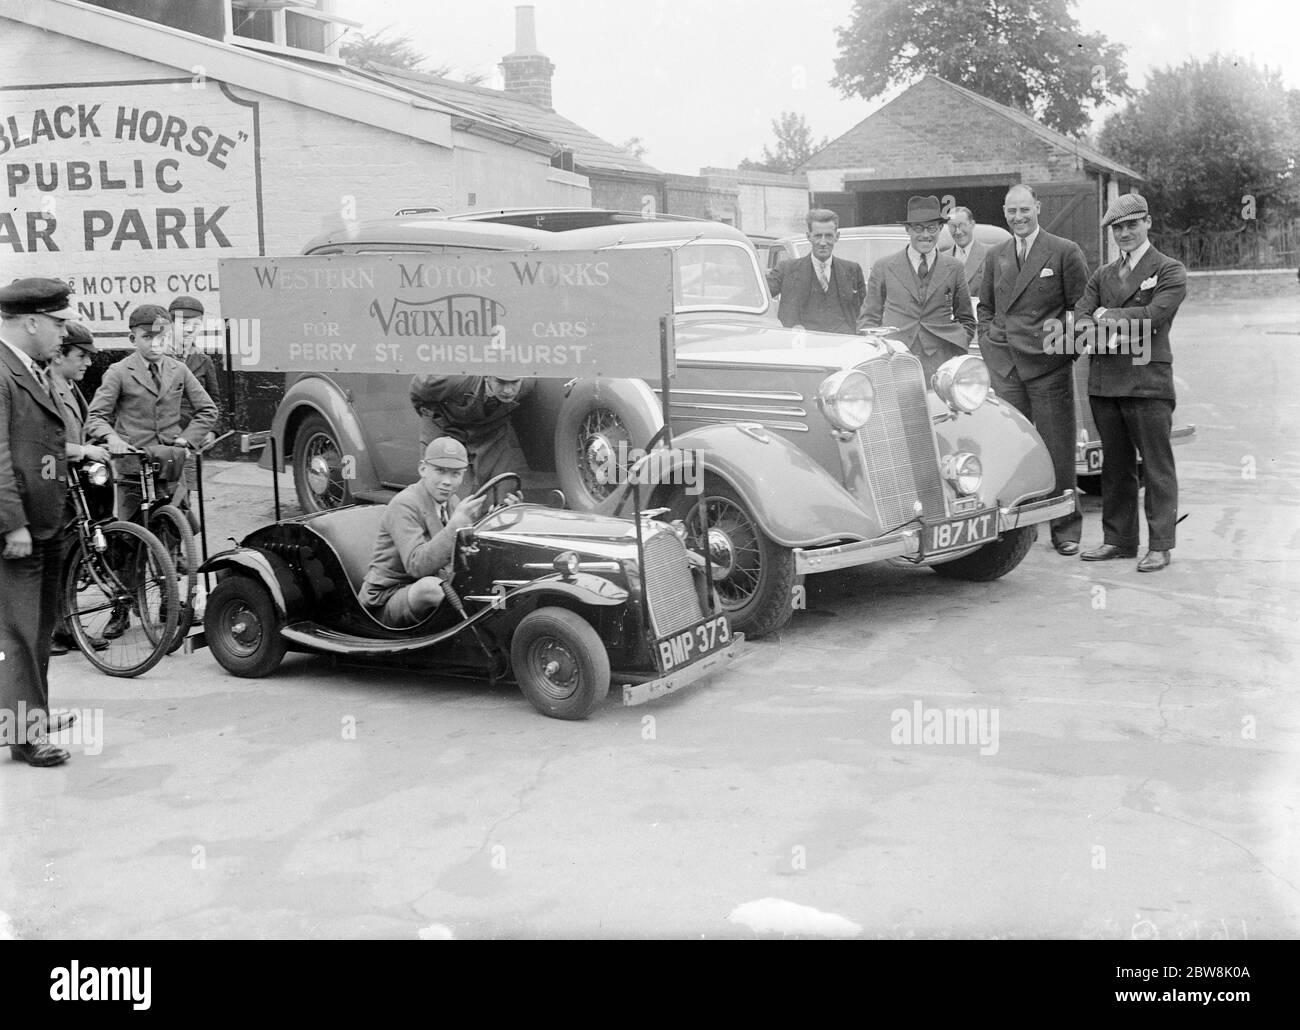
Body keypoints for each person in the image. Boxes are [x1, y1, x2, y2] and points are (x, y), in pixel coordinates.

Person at [85, 303, 217, 638]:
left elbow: (207, 409)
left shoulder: (178, 370)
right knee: (129, 541)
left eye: (161, 336)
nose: (155, 343)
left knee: (171, 535)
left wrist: (187, 440)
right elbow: (96, 418)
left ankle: (167, 604)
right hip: (132, 469)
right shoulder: (118, 372)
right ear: (133, 338)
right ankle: (122, 607)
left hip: (169, 467)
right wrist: (112, 438)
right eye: (147, 337)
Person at [1075, 193, 1187, 572]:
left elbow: (1155, 316)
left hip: (1147, 381)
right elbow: (1080, 318)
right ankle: (1119, 540)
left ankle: (1160, 545)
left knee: (1155, 466)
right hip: (1106, 381)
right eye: (1117, 228)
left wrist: (1105, 317)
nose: (1124, 233)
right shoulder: (1101, 275)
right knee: (1115, 466)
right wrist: (1118, 323)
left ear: (1148, 223)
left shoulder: (1169, 270)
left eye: (1131, 224)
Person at [978, 184, 1090, 555]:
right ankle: (1019, 530)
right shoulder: (996, 256)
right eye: (1012, 211)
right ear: (1004, 213)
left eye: (1025, 210)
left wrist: (1064, 353)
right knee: (1014, 450)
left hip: (1048, 367)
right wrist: (990, 345)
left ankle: (1066, 527)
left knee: (1058, 447)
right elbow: (987, 309)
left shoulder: (1063, 251)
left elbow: (1083, 310)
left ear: (1038, 208)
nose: (1019, 218)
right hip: (1007, 368)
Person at [0, 278, 75, 766]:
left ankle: (35, 714)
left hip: (44, 523)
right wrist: (12, 525)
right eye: (57, 322)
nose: (62, 332)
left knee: (38, 626)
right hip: (19, 528)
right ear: (30, 322)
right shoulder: (3, 371)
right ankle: (24, 734)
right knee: (18, 631)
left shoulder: (29, 368)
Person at [358, 437, 490, 628]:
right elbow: (417, 565)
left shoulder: (451, 502)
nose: (447, 482)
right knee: (431, 589)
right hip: (386, 599)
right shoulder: (405, 504)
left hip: (436, 584)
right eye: (440, 471)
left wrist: (496, 515)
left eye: (455, 474)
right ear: (423, 469)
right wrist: (455, 527)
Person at [859, 195, 976, 383]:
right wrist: (881, 353)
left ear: (940, 228)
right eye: (918, 228)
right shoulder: (884, 266)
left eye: (931, 228)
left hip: (940, 361)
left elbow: (967, 319)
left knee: (940, 411)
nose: (926, 235)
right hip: (894, 360)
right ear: (907, 229)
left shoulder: (954, 267)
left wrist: (954, 348)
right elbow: (868, 319)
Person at [46, 322, 110, 656]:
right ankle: (54, 631)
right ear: (59, 355)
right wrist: (83, 451)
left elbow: (83, 430)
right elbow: (45, 442)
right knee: (53, 560)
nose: (87, 362)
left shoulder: (72, 387)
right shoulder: (43, 389)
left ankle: (66, 627)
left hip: (73, 487)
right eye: (81, 355)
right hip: (49, 484)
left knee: (70, 556)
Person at [409, 374, 533, 494]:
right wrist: (433, 416)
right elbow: (418, 389)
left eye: (514, 382)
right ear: (486, 376)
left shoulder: (528, 384)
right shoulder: (455, 380)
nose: (508, 390)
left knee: (500, 488)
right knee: (441, 482)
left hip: (489, 428)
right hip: (446, 425)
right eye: (500, 382)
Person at [767, 209, 867, 335]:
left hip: (842, 346)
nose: (823, 243)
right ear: (809, 236)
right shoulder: (786, 270)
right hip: (801, 347)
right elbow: (758, 296)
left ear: (837, 237)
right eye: (818, 236)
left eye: (829, 236)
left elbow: (865, 314)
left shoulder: (852, 270)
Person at [945, 206, 990, 312]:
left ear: (972, 225)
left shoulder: (989, 255)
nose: (958, 231)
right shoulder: (942, 258)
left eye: (961, 225)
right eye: (953, 226)